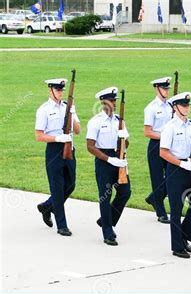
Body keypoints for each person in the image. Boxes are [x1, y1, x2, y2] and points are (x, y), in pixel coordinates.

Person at [160, 92, 191, 259]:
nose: (187, 108)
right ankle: (177, 247)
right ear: (175, 107)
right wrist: (181, 164)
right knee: (177, 210)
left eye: (188, 105)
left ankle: (183, 236)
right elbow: (163, 152)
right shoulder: (170, 127)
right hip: (176, 169)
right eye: (184, 105)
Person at [86, 87, 131, 246]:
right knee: (105, 196)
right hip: (104, 162)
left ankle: (106, 220)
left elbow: (126, 144)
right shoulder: (96, 122)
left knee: (125, 192)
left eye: (115, 100)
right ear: (103, 102)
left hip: (119, 159)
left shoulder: (120, 120)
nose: (114, 103)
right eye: (111, 101)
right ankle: (107, 232)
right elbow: (90, 146)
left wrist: (124, 139)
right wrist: (109, 160)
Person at [35, 78, 80, 236]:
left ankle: (47, 206)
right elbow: (39, 136)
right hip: (54, 150)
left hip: (69, 149)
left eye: (62, 90)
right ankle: (62, 225)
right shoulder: (44, 110)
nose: (60, 92)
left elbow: (78, 130)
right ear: (50, 90)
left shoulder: (68, 107)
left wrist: (73, 115)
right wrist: (57, 138)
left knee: (71, 184)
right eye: (58, 89)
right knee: (57, 187)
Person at [144, 77, 173, 224]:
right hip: (156, 146)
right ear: (157, 88)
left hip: (169, 147)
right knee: (157, 179)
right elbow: (147, 132)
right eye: (164, 88)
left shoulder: (172, 106)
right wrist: (165, 136)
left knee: (171, 178)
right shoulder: (151, 108)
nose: (167, 91)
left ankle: (153, 198)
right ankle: (161, 212)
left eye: (168, 88)